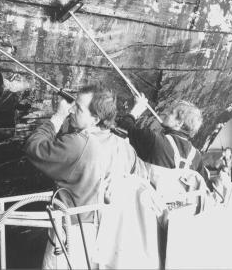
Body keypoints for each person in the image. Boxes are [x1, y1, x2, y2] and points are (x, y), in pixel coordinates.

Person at [24, 82, 143, 269]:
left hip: (69, 233)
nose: (71, 110)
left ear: (95, 119)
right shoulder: (124, 146)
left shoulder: (79, 144)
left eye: (78, 108)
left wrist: (58, 116)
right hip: (103, 234)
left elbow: (34, 148)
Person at [117, 95, 211, 188]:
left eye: (171, 113)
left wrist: (137, 109)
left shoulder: (154, 140)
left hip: (143, 198)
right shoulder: (196, 157)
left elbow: (122, 129)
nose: (166, 113)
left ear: (179, 123)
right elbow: (205, 184)